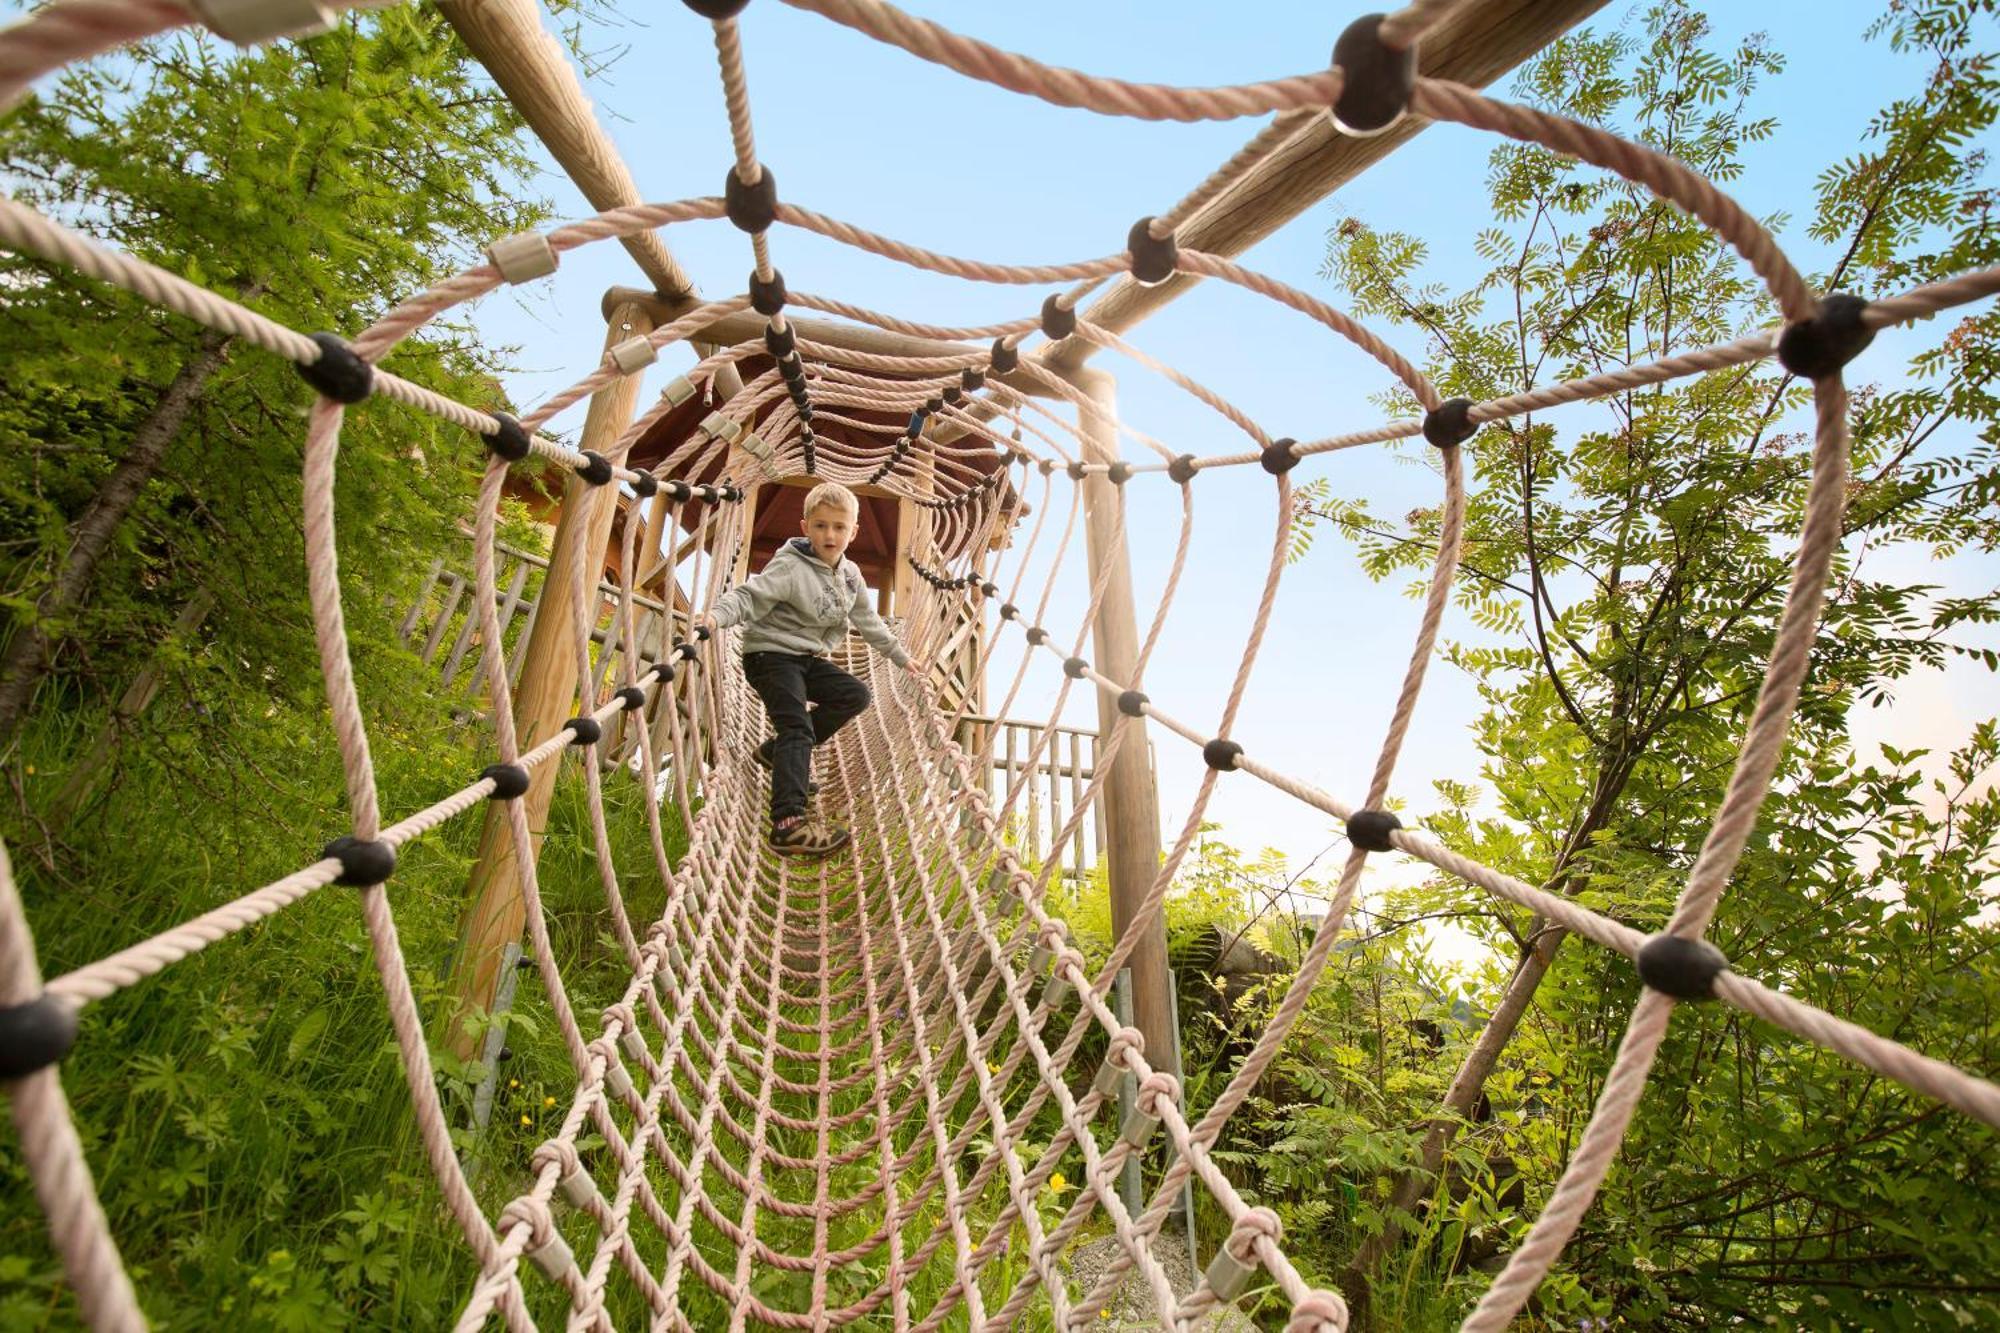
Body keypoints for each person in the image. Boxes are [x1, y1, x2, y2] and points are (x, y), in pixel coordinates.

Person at [700, 481, 922, 857]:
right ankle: (788, 826)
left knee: (855, 694)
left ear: (853, 532)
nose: (829, 535)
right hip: (769, 656)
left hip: (806, 660)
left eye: (838, 527)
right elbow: (748, 597)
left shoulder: (850, 576)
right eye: (820, 526)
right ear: (805, 528)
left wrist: (902, 657)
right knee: (797, 727)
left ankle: (777, 753)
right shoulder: (790, 567)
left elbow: (870, 622)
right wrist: (715, 618)